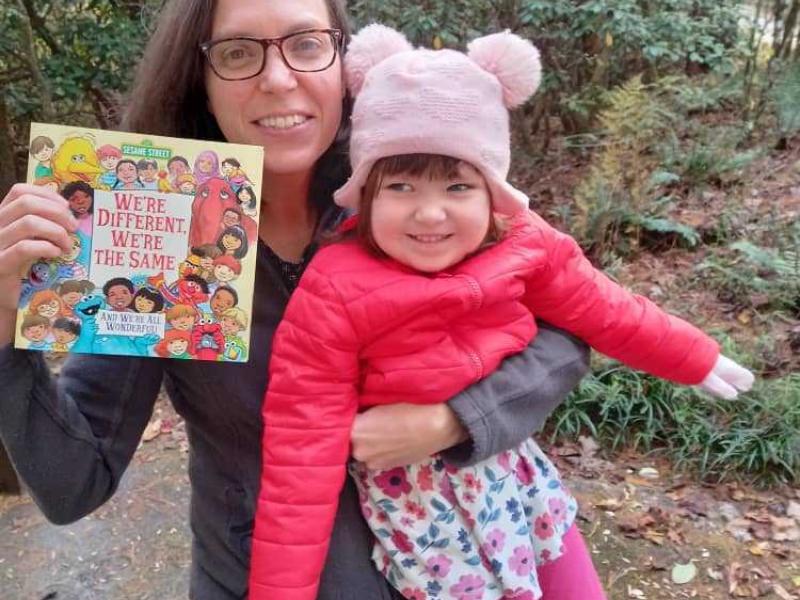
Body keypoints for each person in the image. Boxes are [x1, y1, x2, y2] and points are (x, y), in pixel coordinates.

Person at [0, 2, 592, 599]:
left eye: (306, 45)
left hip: (477, 556)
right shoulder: (158, 230)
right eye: (237, 53)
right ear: (200, 82)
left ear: (344, 62)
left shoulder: (410, 186)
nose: (279, 78)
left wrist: (454, 421)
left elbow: (564, 334)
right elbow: (74, 485)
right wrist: (2, 324)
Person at [249, 25, 755, 600]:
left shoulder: (525, 245)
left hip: (516, 475)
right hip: (422, 513)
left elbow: (606, 308)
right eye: (402, 186)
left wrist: (693, 356)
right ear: (365, 195)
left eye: (459, 186)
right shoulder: (335, 288)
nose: (430, 213)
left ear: (493, 193)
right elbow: (300, 448)